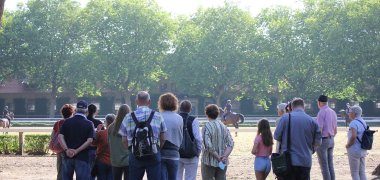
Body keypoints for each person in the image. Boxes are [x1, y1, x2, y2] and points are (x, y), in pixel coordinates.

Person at [118, 91, 167, 180]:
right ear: (149, 101)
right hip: (153, 153)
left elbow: (124, 140)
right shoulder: (158, 116)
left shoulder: (128, 117)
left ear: (136, 101)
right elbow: (163, 138)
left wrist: (131, 149)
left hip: (135, 154)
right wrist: (157, 148)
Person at [274, 98, 321, 179]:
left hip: (288, 161)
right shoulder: (312, 121)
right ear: (304, 107)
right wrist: (311, 151)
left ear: (291, 107)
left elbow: (276, 136)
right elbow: (318, 142)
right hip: (305, 161)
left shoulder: (285, 118)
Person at [58, 100, 95, 180]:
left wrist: (67, 149)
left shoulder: (67, 122)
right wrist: (77, 151)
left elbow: (60, 137)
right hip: (82, 157)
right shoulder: (89, 123)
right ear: (86, 111)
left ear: (76, 110)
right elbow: (90, 141)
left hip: (67, 156)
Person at [201, 104, 234, 180]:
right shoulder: (224, 126)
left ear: (206, 113)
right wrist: (224, 156)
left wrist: (218, 157)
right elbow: (231, 143)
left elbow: (207, 145)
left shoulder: (206, 126)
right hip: (222, 162)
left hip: (208, 161)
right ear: (218, 113)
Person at [158, 93, 183, 180]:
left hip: (161, 151)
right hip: (174, 152)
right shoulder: (179, 118)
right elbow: (180, 136)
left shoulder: (158, 116)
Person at [176, 100, 202, 180]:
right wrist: (198, 151)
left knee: (177, 177)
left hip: (176, 153)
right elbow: (198, 138)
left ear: (179, 108)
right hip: (191, 154)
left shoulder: (175, 118)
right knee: (190, 178)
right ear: (190, 109)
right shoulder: (193, 120)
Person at [316, 95, 337, 180]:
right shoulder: (333, 112)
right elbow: (335, 130)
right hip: (331, 139)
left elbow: (319, 130)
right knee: (330, 165)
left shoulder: (321, 112)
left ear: (319, 102)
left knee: (324, 166)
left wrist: (316, 142)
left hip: (323, 140)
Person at [52, 104, 75, 180]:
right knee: (69, 172)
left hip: (59, 149)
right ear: (72, 113)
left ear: (62, 113)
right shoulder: (73, 123)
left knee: (60, 170)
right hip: (70, 149)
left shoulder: (58, 123)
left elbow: (52, 136)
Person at [108, 104, 131, 180]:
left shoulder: (110, 127)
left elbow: (109, 142)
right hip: (128, 159)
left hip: (115, 160)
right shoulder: (129, 126)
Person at [345, 105, 367, 180]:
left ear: (354, 113)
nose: (348, 114)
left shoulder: (353, 123)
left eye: (350, 112)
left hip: (354, 149)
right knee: (362, 172)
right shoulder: (363, 121)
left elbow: (353, 136)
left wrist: (348, 145)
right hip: (363, 149)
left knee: (354, 172)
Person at [92, 114, 115, 180]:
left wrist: (97, 131)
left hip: (101, 160)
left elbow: (93, 143)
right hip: (113, 161)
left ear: (106, 122)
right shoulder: (118, 133)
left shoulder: (101, 133)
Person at [87, 103, 103, 180]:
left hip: (83, 149)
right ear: (95, 111)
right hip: (95, 150)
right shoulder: (98, 122)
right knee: (94, 171)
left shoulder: (84, 120)